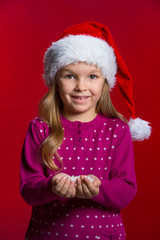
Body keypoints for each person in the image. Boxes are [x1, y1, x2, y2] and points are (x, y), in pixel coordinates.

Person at [20, 21, 151, 240]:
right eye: (70, 76)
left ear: (105, 82)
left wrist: (98, 189)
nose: (81, 86)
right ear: (55, 81)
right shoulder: (40, 128)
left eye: (92, 76)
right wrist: (51, 186)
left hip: (103, 235)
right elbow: (29, 188)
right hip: (47, 234)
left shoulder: (116, 130)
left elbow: (126, 189)